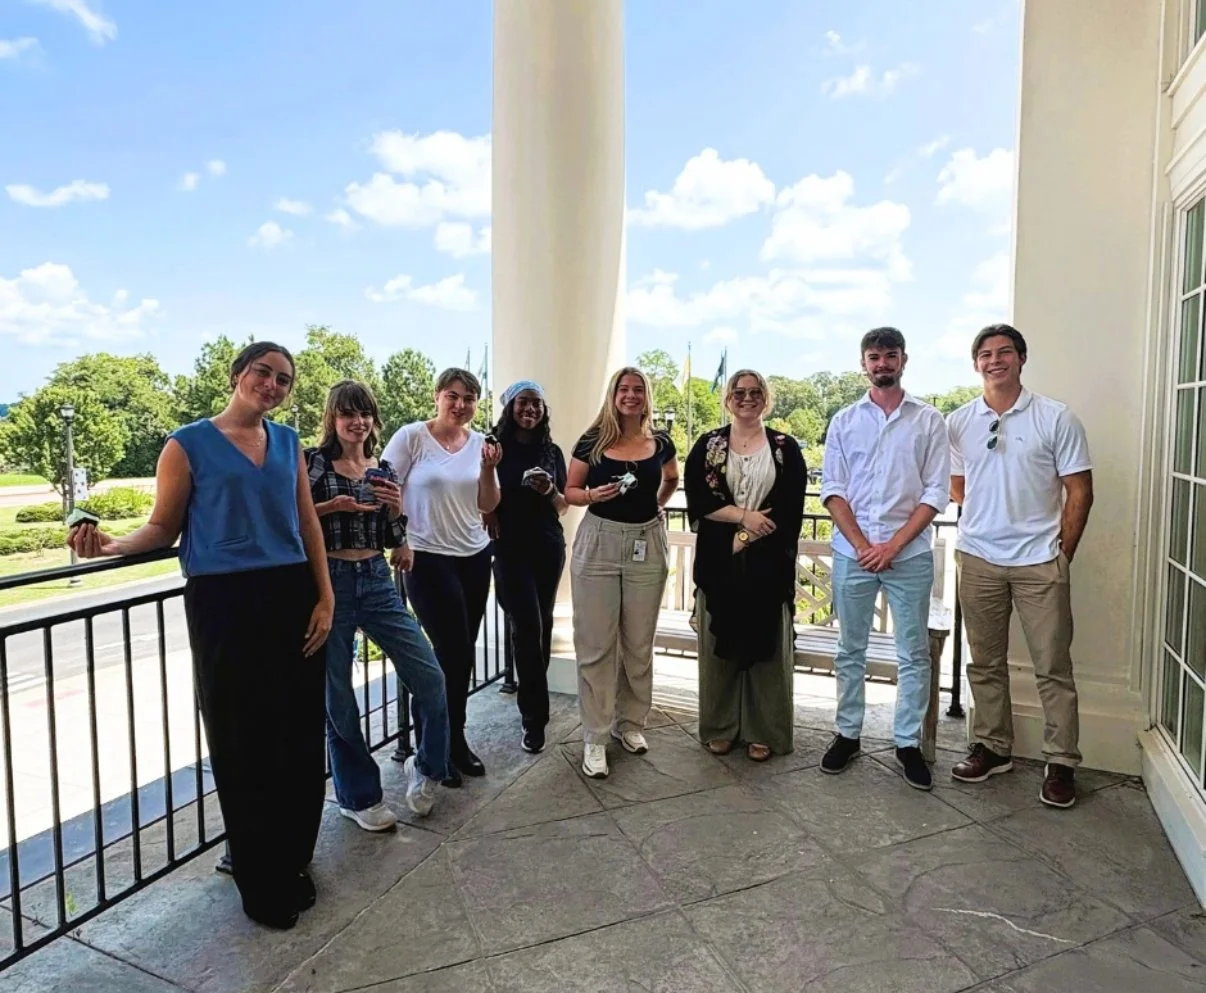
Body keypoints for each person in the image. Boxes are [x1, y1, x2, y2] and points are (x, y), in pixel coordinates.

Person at [67, 342, 333, 931]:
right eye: (262, 372)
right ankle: (260, 879)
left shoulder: (287, 442)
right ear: (238, 374)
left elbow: (306, 521)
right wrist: (110, 545)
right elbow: (163, 528)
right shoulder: (186, 444)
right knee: (243, 738)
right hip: (225, 602)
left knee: (296, 735)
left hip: (291, 594)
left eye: (283, 379)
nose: (271, 384)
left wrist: (325, 596)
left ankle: (292, 860)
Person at [947, 323, 1093, 809]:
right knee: (984, 663)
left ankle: (1061, 762)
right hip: (979, 559)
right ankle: (992, 746)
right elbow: (957, 484)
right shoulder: (960, 422)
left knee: (1052, 667)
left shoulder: (1056, 418)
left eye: (1004, 352)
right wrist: (989, 519)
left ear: (1021, 359)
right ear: (976, 364)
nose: (994, 360)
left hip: (1039, 563)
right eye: (985, 354)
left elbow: (1080, 490)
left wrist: (1061, 554)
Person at [307, 380, 453, 829]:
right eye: (349, 413)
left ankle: (427, 768)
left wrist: (395, 516)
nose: (359, 422)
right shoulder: (312, 464)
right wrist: (330, 506)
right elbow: (293, 521)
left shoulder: (382, 467)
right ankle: (358, 796)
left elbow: (391, 534)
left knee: (429, 677)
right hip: (328, 583)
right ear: (333, 418)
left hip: (375, 579)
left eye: (366, 413)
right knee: (339, 699)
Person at [819, 327, 950, 791]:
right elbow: (832, 489)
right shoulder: (844, 421)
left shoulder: (929, 420)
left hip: (909, 555)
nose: (882, 364)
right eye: (874, 357)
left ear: (904, 360)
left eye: (889, 356)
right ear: (863, 364)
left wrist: (892, 546)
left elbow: (936, 492)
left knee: (913, 654)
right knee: (849, 649)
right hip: (853, 555)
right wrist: (861, 545)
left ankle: (907, 743)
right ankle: (847, 733)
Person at [381, 368, 501, 785]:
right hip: (427, 557)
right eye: (453, 396)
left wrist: (488, 470)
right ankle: (437, 746)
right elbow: (384, 487)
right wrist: (399, 538)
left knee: (461, 652)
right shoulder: (412, 437)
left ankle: (452, 739)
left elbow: (488, 503)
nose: (460, 405)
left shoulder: (483, 444)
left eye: (469, 398)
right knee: (447, 652)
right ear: (437, 396)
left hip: (473, 554)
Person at [684, 370, 807, 761]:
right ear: (728, 399)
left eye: (755, 392)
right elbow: (699, 501)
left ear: (766, 399)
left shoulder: (786, 448)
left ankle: (764, 730)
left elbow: (790, 508)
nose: (747, 398)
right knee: (718, 651)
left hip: (768, 566)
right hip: (719, 567)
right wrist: (743, 520)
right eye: (739, 392)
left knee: (767, 652)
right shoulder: (708, 445)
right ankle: (720, 726)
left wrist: (746, 535)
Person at [564, 366, 679, 779]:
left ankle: (630, 724)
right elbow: (569, 492)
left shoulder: (660, 442)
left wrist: (659, 504)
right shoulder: (593, 440)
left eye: (638, 390)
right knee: (595, 643)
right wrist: (593, 494)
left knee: (638, 641)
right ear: (613, 395)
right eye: (623, 389)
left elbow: (671, 477)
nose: (630, 396)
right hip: (599, 541)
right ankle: (595, 736)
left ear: (647, 396)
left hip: (646, 541)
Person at [483, 380, 569, 755]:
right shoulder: (494, 449)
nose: (530, 409)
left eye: (537, 403)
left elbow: (564, 505)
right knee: (527, 627)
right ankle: (534, 718)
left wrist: (549, 489)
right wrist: (490, 512)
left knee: (543, 624)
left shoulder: (552, 451)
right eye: (523, 402)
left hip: (548, 547)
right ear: (510, 407)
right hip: (510, 548)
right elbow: (483, 496)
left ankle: (534, 705)